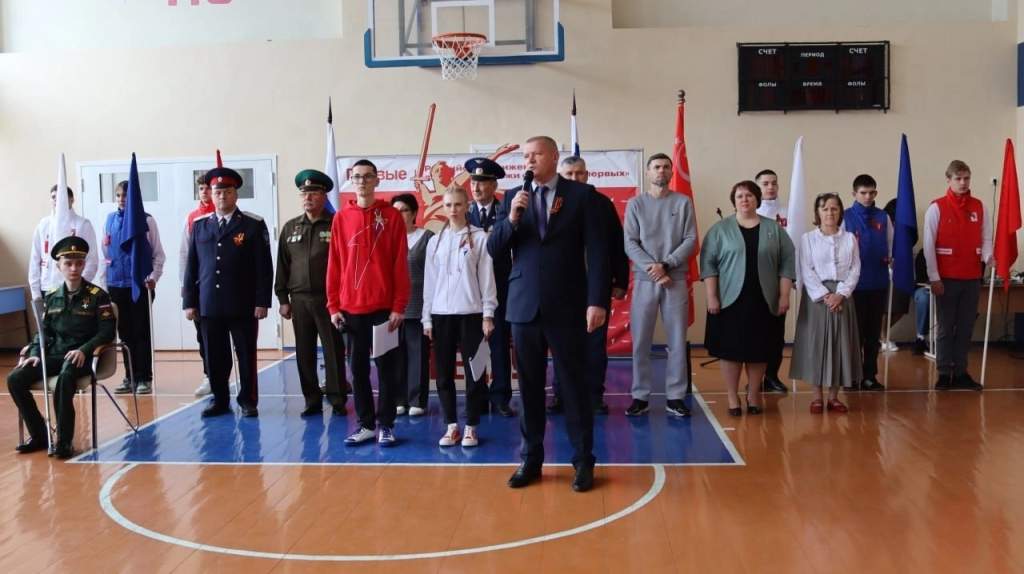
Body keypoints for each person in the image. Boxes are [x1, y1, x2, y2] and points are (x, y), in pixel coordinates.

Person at [487, 135, 609, 492]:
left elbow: (598, 251)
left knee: (574, 385)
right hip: (524, 306)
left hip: (568, 304)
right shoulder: (513, 197)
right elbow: (495, 249)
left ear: (554, 157)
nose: (529, 160)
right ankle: (531, 459)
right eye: (525, 156)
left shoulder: (581, 196)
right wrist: (511, 219)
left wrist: (597, 300)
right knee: (528, 388)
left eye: (536, 154)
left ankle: (583, 460)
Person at [326, 159, 410, 446]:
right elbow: (335, 264)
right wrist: (333, 306)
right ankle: (366, 425)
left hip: (384, 309)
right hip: (351, 309)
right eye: (357, 176)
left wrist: (399, 305)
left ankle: (386, 424)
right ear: (351, 181)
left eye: (367, 176)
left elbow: (400, 263)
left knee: (387, 369)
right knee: (358, 369)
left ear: (377, 180)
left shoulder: (392, 216)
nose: (362, 181)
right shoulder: (341, 218)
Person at [8, 236, 115, 459]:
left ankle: (64, 442)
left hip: (83, 357)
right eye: (68, 263)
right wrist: (35, 353)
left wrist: (84, 350)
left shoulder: (98, 296)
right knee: (15, 378)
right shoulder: (52, 297)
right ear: (59, 266)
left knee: (66, 377)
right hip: (56, 354)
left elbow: (107, 332)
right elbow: (43, 332)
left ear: (84, 265)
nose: (73, 268)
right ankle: (39, 435)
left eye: (78, 263)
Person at [183, 163, 274, 418]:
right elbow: (192, 266)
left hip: (242, 303)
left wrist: (262, 301)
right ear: (211, 196)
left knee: (245, 354)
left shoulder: (253, 225)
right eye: (217, 192)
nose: (222, 196)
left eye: (227, 191)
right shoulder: (200, 225)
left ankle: (248, 401)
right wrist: (189, 301)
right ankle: (220, 400)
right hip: (209, 303)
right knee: (215, 357)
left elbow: (264, 266)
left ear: (236, 194)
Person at [701, 180, 795, 416]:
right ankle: (732, 397)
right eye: (740, 196)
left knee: (759, 350)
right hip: (729, 301)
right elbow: (708, 265)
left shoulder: (774, 229)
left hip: (764, 300)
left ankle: (753, 395)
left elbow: (787, 264)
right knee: (730, 351)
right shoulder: (719, 230)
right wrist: (711, 297)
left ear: (757, 200)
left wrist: (784, 295)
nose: (745, 199)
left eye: (750, 195)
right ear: (734, 201)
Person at [548, 155, 629, 415]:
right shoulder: (552, 204)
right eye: (569, 174)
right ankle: (561, 395)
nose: (575, 178)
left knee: (594, 346)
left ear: (587, 174)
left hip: (595, 288)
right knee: (562, 344)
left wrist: (620, 279)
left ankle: (594, 396)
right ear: (560, 176)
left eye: (579, 173)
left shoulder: (601, 203)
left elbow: (616, 243)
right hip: (560, 288)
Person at [623, 153, 697, 418]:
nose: (661, 171)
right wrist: (655, 270)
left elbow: (690, 239)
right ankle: (640, 396)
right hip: (645, 280)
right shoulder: (636, 204)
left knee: (676, 341)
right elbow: (630, 242)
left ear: (671, 172)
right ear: (648, 172)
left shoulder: (683, 202)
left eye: (666, 167)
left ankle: (675, 397)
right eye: (656, 167)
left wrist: (666, 264)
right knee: (641, 341)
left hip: (674, 280)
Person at [422, 186, 497, 447]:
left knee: (474, 373)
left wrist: (488, 314)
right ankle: (451, 426)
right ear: (443, 207)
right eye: (448, 205)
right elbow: (429, 283)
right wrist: (427, 318)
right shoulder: (435, 242)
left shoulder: (480, 238)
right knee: (443, 375)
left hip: (471, 315)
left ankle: (471, 427)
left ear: (467, 206)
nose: (453, 209)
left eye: (457, 204)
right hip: (441, 316)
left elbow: (487, 280)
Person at [275, 169, 348, 417]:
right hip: (300, 300)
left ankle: (337, 399)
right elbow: (282, 266)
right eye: (304, 193)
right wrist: (283, 299)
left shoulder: (337, 223)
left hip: (330, 301)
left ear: (324, 195)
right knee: (304, 352)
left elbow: (346, 263)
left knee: (333, 351)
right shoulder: (290, 227)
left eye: (313, 192)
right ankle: (311, 400)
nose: (308, 197)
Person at [923, 160, 991, 391]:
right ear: (949, 180)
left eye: (966, 178)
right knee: (945, 326)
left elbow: (986, 238)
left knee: (965, 327)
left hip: (971, 277)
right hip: (946, 279)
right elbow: (929, 245)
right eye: (958, 178)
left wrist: (989, 257)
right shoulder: (937, 208)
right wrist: (934, 277)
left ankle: (961, 371)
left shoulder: (980, 207)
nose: (963, 183)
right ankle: (944, 372)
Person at [790, 193, 862, 413]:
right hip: (818, 300)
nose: (830, 212)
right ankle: (817, 397)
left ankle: (834, 397)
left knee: (840, 345)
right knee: (817, 345)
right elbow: (806, 269)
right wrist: (825, 295)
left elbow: (855, 269)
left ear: (840, 212)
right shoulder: (807, 239)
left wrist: (841, 294)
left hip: (843, 297)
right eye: (825, 208)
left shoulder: (849, 238)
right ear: (818, 212)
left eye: (834, 208)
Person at [103, 180, 166, 395]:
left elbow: (158, 254)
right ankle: (129, 377)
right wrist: (105, 283)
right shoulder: (109, 220)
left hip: (139, 286)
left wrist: (153, 277)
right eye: (119, 195)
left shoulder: (147, 220)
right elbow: (106, 254)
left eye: (126, 195)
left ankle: (143, 378)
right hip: (116, 286)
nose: (122, 199)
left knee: (141, 333)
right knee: (125, 334)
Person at [465, 157, 517, 417]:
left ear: (494, 185)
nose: (476, 187)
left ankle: (500, 397)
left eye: (482, 182)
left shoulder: (505, 212)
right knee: (473, 346)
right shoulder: (463, 213)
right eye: (473, 182)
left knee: (498, 345)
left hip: (500, 288)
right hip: (469, 291)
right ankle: (477, 397)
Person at [843, 174, 891, 391]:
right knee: (854, 335)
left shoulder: (883, 217)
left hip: (878, 283)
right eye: (863, 193)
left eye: (872, 192)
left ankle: (870, 376)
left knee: (873, 335)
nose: (868, 197)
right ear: (854, 194)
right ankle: (852, 376)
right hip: (853, 286)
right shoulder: (845, 217)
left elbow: (891, 244)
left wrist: (892, 261)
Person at [392, 193, 433, 417]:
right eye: (395, 211)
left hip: (419, 307)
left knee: (418, 356)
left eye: (404, 210)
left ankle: (417, 400)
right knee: (396, 356)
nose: (400, 215)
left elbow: (435, 274)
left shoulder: (427, 238)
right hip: (393, 310)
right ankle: (399, 399)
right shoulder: (387, 239)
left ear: (414, 213)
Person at [753, 169, 790, 394]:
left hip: (778, 282)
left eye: (774, 183)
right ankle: (755, 378)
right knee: (757, 333)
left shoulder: (787, 212)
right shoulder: (751, 213)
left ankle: (772, 376)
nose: (770, 187)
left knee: (776, 333)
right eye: (765, 183)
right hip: (755, 281)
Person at [29, 185, 100, 300]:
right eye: (53, 197)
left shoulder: (83, 224)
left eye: (60, 197)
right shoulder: (43, 225)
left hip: (74, 289)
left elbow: (92, 260)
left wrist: (80, 286)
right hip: (48, 287)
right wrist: (35, 293)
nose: (57, 200)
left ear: (71, 200)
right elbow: (35, 259)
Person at [181, 172, 216, 397]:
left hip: (221, 288)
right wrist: (186, 288)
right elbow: (185, 254)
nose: (204, 192)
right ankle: (209, 376)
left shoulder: (224, 215)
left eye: (208, 188)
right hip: (200, 287)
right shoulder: (192, 218)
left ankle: (225, 375)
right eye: (201, 189)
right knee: (203, 336)